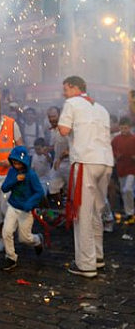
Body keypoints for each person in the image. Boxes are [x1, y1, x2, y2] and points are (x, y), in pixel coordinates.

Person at [58, 75, 114, 278]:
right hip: (105, 162)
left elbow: (64, 130)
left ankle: (85, 264)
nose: (63, 93)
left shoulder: (71, 103)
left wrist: (58, 124)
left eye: (65, 88)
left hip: (85, 161)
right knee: (96, 211)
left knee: (81, 212)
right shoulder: (101, 108)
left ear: (74, 87)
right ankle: (98, 256)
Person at [0, 145, 45, 271]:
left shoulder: (31, 175)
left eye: (18, 163)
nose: (16, 165)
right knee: (6, 231)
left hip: (26, 210)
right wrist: (14, 180)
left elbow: (39, 192)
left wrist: (29, 204)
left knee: (24, 238)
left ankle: (37, 240)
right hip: (13, 206)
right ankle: (11, 257)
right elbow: (4, 188)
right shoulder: (12, 172)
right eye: (14, 163)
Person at [0, 114, 23, 252]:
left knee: (5, 209)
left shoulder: (12, 124)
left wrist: (11, 161)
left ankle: (7, 241)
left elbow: (21, 149)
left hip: (9, 175)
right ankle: (2, 237)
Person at [111, 116, 135, 224]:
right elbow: (112, 150)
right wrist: (116, 155)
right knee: (123, 191)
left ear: (130, 127)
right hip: (121, 168)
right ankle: (129, 213)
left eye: (126, 128)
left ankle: (130, 211)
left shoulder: (133, 138)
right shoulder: (116, 139)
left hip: (131, 168)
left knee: (128, 189)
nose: (124, 130)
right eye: (122, 128)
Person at [47, 106, 70, 206]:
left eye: (54, 116)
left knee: (72, 190)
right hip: (57, 164)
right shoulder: (53, 130)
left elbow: (72, 147)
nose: (51, 119)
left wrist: (60, 158)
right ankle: (60, 208)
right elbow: (54, 145)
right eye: (50, 117)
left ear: (60, 115)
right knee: (52, 187)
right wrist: (45, 149)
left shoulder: (66, 129)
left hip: (69, 164)